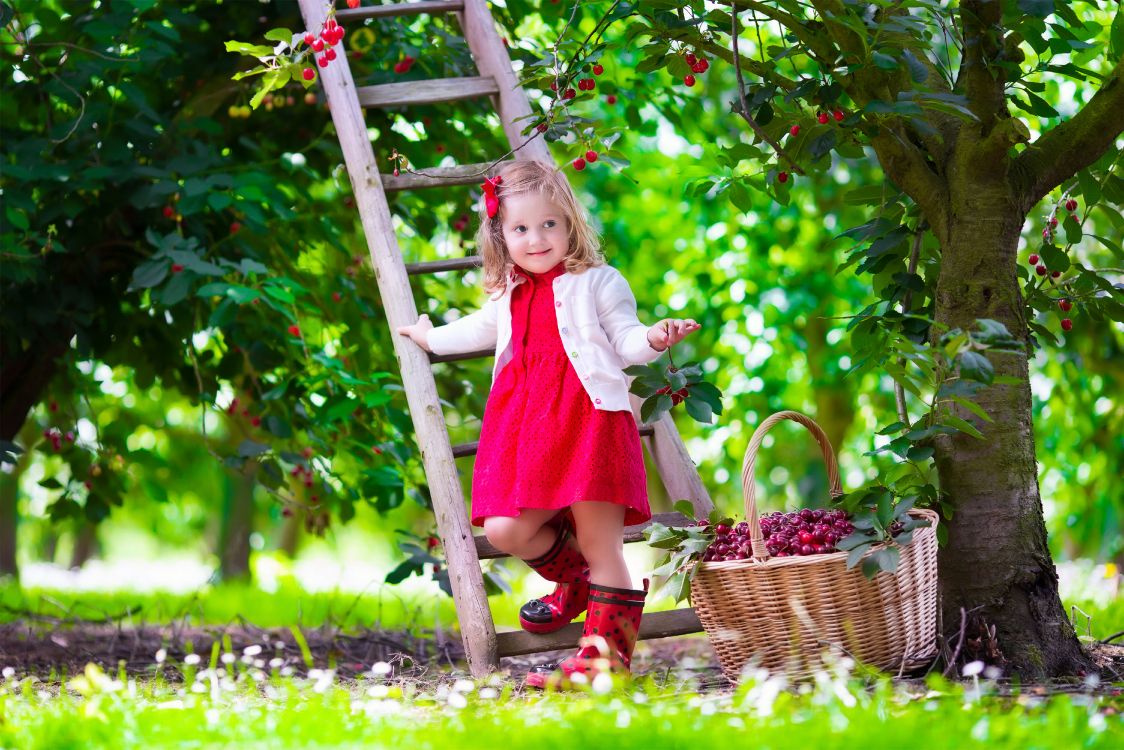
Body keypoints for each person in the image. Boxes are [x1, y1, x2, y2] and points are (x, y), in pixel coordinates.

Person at [396, 159, 700, 689]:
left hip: (591, 426)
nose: (536, 239)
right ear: (501, 234)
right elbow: (471, 330)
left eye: (549, 225)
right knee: (506, 528)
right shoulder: (509, 293)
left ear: (570, 225)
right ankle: (578, 583)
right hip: (530, 435)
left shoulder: (598, 282)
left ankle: (603, 666)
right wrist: (429, 337)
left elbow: (626, 339)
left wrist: (654, 339)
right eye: (520, 229)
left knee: (602, 543)